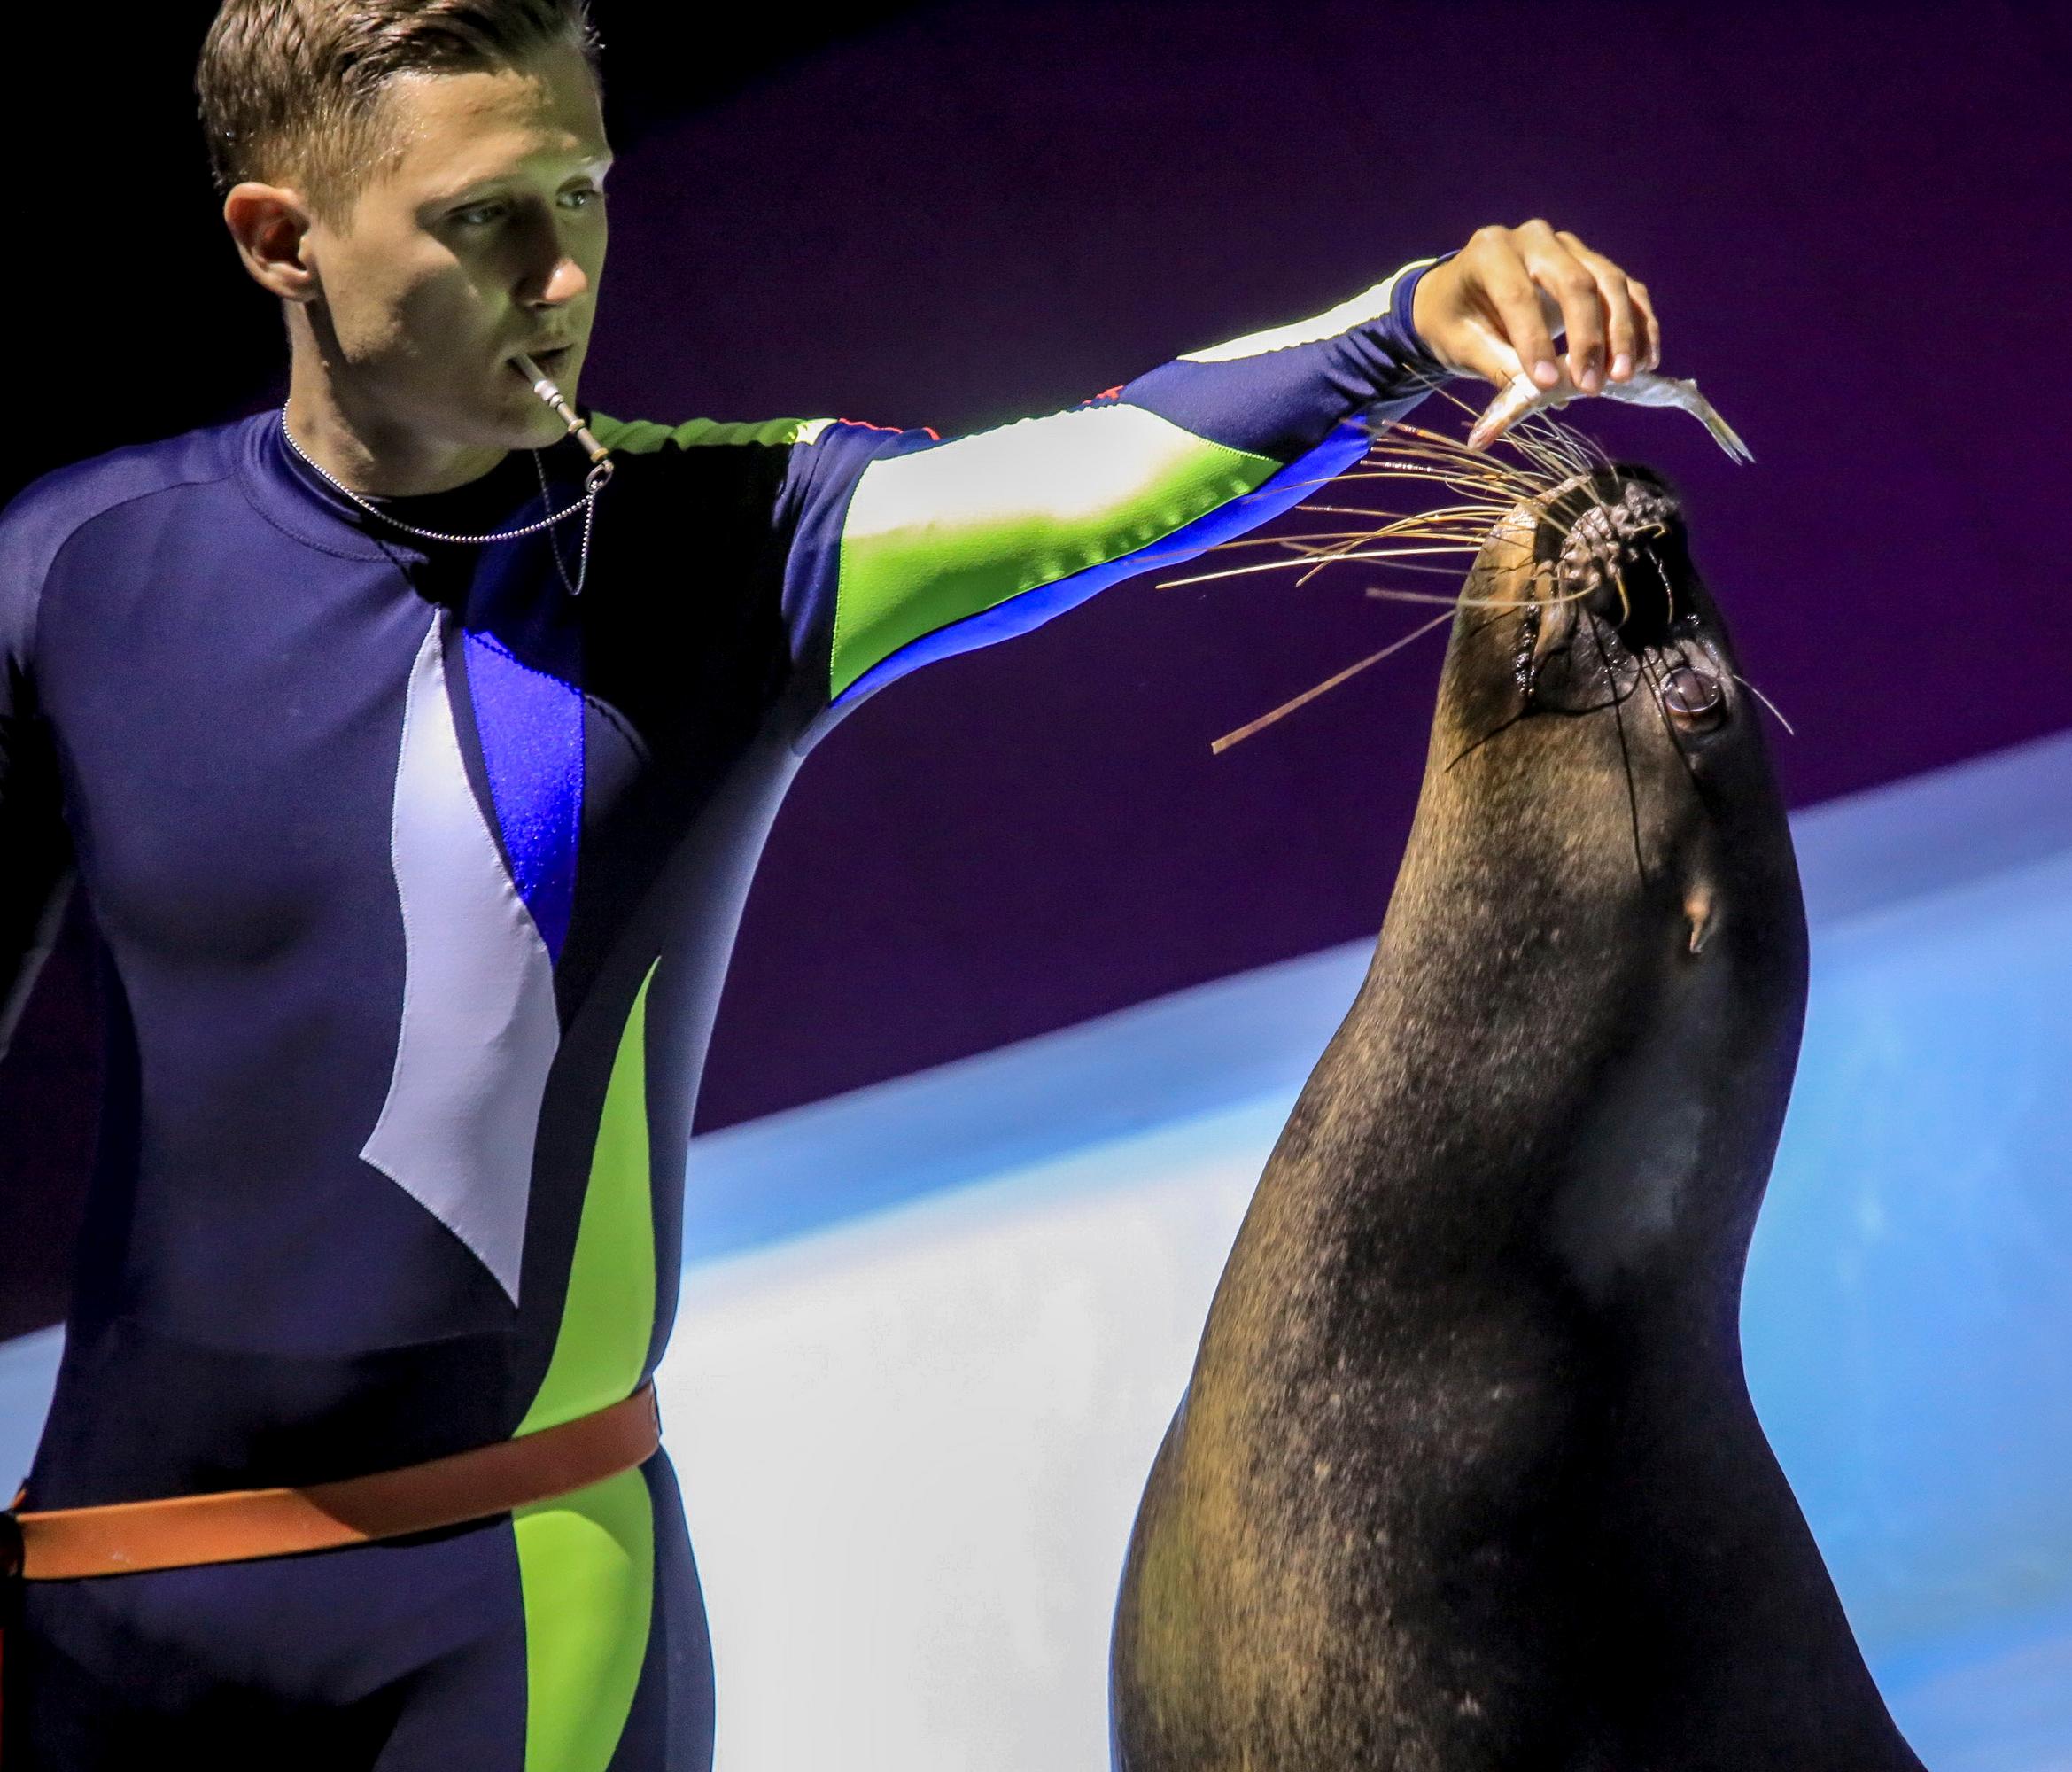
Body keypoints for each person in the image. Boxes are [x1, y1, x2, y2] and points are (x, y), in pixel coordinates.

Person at [0, 1, 1661, 1766]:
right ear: (280, 240)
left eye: (585, 191)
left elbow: (1106, 471)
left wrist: (1413, 315)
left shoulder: (738, 556)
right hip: (106, 1592)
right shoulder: (76, 569)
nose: (562, 272)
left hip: (520, 1604)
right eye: (487, 215)